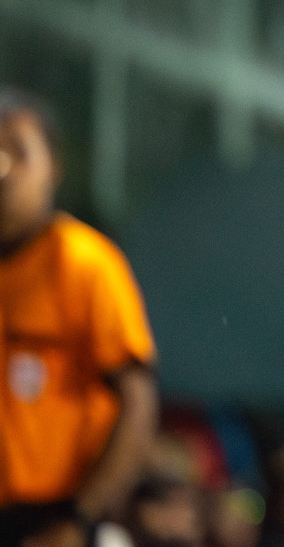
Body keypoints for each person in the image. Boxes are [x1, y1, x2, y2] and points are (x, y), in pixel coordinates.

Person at [0, 89, 158, 547]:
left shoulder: (84, 264)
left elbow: (138, 401)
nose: (4, 168)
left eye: (19, 150)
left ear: (54, 167)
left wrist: (81, 520)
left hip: (58, 518)